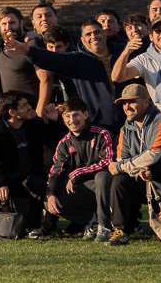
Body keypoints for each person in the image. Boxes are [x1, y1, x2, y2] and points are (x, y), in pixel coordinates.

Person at [104, 84, 161, 247]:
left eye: (132, 101)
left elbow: (154, 155)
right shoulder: (126, 128)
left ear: (147, 101)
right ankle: (121, 230)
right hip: (146, 180)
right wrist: (133, 170)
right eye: (124, 103)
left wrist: (124, 166)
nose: (127, 107)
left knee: (151, 167)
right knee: (120, 180)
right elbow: (122, 160)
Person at [11, 26, 118, 134]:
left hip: (83, 123)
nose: (54, 51)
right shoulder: (43, 65)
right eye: (50, 47)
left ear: (67, 45)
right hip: (55, 123)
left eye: (58, 47)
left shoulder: (75, 63)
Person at [0, 91, 44, 238]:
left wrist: (51, 120)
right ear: (12, 112)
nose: (29, 107)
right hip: (4, 178)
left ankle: (33, 227)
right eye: (25, 105)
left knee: (39, 184)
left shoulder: (31, 124)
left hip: (27, 176)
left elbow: (52, 139)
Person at [46, 98, 115, 239]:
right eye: (68, 116)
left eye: (76, 115)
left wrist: (78, 173)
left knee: (102, 177)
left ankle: (105, 226)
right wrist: (51, 194)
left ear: (85, 115)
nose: (72, 120)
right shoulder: (64, 143)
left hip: (106, 188)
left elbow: (108, 162)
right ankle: (92, 221)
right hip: (83, 190)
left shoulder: (102, 134)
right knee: (49, 202)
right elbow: (55, 173)